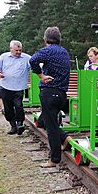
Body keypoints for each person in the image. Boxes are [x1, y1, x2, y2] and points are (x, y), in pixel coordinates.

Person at [29, 27, 71, 168]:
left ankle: (54, 159)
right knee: (44, 121)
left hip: (49, 92)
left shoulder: (48, 50)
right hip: (62, 94)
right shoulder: (64, 52)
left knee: (51, 126)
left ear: (45, 39)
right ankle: (65, 138)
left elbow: (33, 60)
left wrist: (41, 76)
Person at [0, 40, 31, 135]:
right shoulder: (4, 56)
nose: (18, 52)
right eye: (16, 50)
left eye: (20, 50)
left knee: (19, 106)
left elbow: (36, 65)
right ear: (11, 49)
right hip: (6, 86)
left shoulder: (26, 58)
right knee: (8, 108)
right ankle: (13, 126)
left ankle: (20, 124)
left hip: (19, 87)